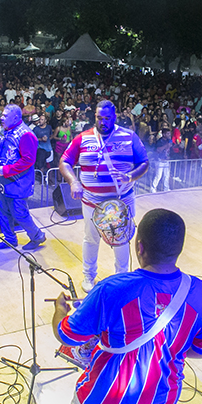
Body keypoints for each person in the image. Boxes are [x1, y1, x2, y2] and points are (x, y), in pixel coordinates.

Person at [44, 209, 202, 404]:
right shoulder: (199, 292)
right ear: (179, 248)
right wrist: (170, 348)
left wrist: (60, 311)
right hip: (158, 397)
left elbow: (68, 336)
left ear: (139, 247)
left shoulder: (112, 289)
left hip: (103, 396)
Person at [59, 100, 149, 292]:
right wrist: (73, 181)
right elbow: (65, 161)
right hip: (92, 201)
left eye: (107, 118)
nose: (103, 122)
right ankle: (88, 276)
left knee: (121, 240)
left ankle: (121, 277)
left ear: (115, 118)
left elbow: (144, 162)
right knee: (91, 238)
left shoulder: (128, 136)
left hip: (121, 200)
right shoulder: (83, 138)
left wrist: (130, 176)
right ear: (95, 118)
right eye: (100, 118)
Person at [0, 104, 46, 251]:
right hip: (4, 181)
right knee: (3, 211)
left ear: (15, 117)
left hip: (19, 182)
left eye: (5, 116)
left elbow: (28, 160)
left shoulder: (26, 135)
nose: (1, 118)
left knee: (19, 213)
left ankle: (37, 236)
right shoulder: (5, 130)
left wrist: (6, 170)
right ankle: (10, 239)